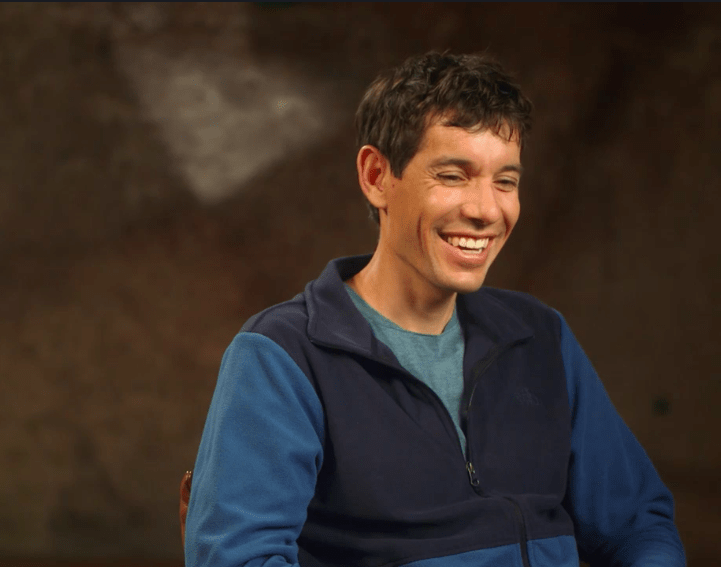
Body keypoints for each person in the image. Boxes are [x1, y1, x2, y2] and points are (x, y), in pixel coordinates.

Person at [184, 52, 685, 567]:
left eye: (505, 181)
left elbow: (639, 524)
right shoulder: (282, 355)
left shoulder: (540, 336)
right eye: (454, 175)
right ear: (377, 176)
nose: (487, 210)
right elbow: (240, 558)